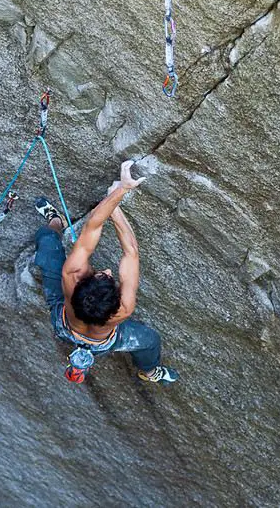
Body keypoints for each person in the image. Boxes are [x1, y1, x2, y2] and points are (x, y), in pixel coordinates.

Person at [33, 160, 178, 384]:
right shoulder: (123, 309)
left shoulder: (71, 276)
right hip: (104, 340)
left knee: (47, 241)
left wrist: (120, 192)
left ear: (78, 285)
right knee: (149, 340)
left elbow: (93, 226)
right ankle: (149, 372)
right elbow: (131, 252)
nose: (109, 270)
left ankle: (55, 222)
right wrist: (117, 200)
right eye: (110, 277)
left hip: (64, 325)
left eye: (104, 275)